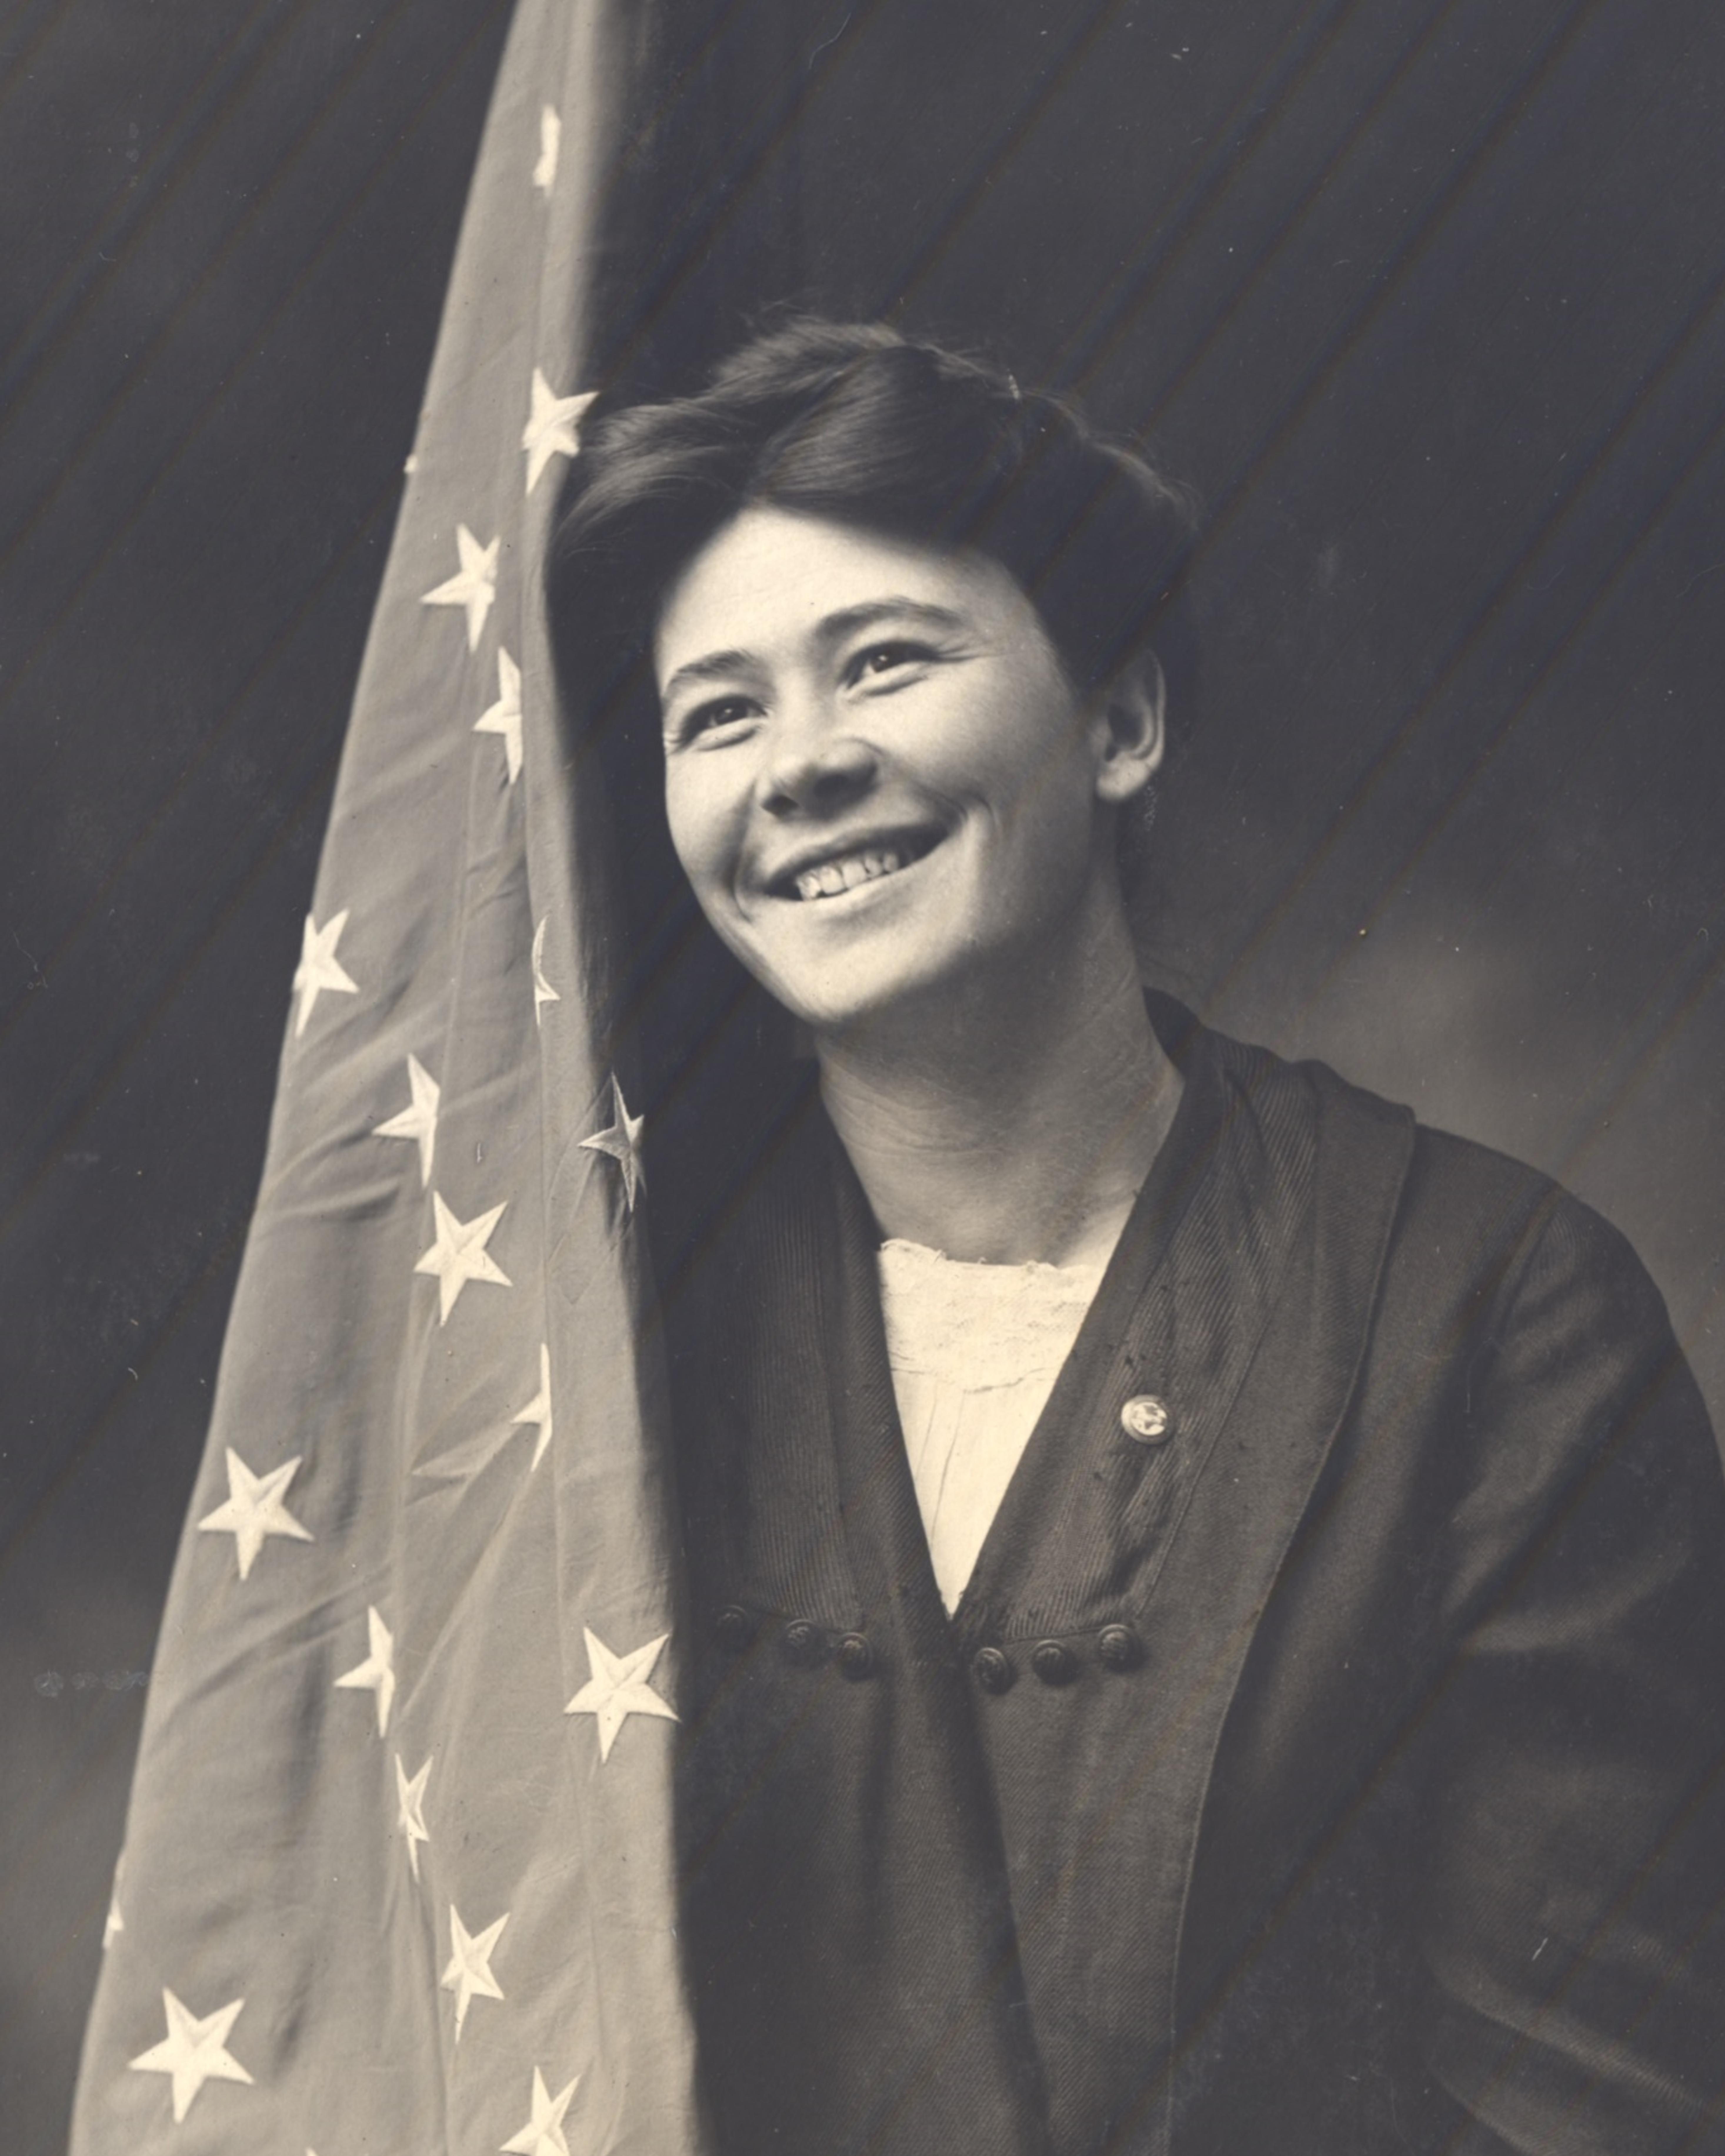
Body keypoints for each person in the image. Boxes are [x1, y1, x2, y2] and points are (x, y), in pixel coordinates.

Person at [547, 318, 1725, 2155]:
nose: (801, 765)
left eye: (885, 661)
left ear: (1119, 719)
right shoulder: (592, 1337)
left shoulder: (1490, 1314)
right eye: (721, 712)